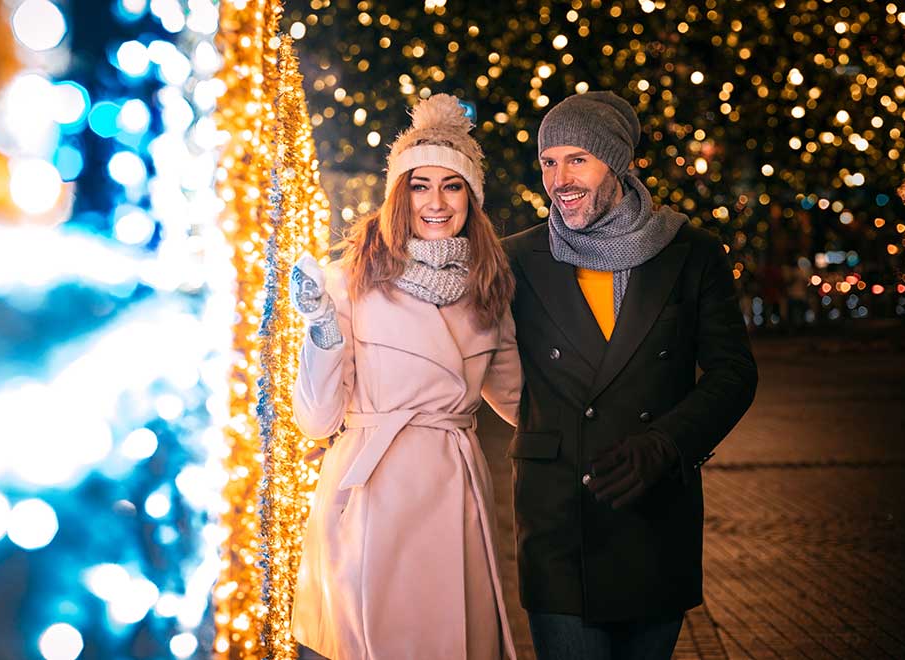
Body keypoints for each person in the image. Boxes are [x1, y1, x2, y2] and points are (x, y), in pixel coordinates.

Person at [502, 90, 758, 659]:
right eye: (549, 162)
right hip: (558, 520)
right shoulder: (516, 259)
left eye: (578, 160)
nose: (560, 179)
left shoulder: (692, 253)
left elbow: (733, 374)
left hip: (653, 513)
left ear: (617, 163)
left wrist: (667, 442)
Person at [287, 93, 521, 660]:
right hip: (370, 494)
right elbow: (317, 421)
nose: (435, 203)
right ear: (399, 194)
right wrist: (320, 328)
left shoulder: (489, 288)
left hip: (454, 492)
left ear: (472, 197)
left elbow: (522, 402)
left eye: (452, 185)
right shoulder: (348, 281)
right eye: (420, 185)